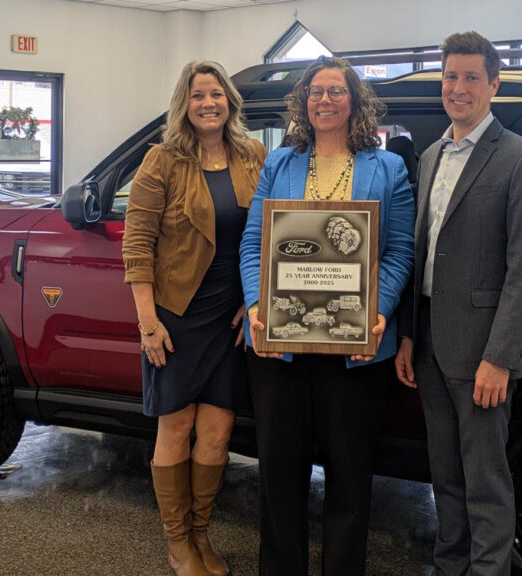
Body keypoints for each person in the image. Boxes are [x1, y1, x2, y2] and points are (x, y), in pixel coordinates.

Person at [239, 56, 415, 576]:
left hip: (356, 348)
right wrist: (255, 306)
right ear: (303, 102)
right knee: (279, 474)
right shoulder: (280, 164)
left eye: (337, 91)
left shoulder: (388, 168)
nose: (326, 100)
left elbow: (400, 249)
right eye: (316, 91)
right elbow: (255, 242)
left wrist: (378, 311)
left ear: (355, 101)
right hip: (280, 345)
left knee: (350, 475)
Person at [394, 32, 522, 576]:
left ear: (493, 84)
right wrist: (410, 336)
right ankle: (450, 565)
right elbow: (422, 257)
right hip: (432, 343)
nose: (457, 89)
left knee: (485, 477)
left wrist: (501, 357)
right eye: (450, 77)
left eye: (470, 78)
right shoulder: (433, 155)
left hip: (483, 349)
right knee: (445, 472)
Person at [123, 60, 267, 576]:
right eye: (198, 95)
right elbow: (136, 246)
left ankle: (201, 534)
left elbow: (269, 236)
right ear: (184, 104)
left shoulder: (253, 156)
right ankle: (177, 542)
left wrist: (251, 302)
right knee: (177, 425)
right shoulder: (161, 161)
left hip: (230, 318)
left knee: (217, 432)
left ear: (229, 101)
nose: (209, 103)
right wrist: (148, 323)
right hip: (176, 317)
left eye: (216, 94)